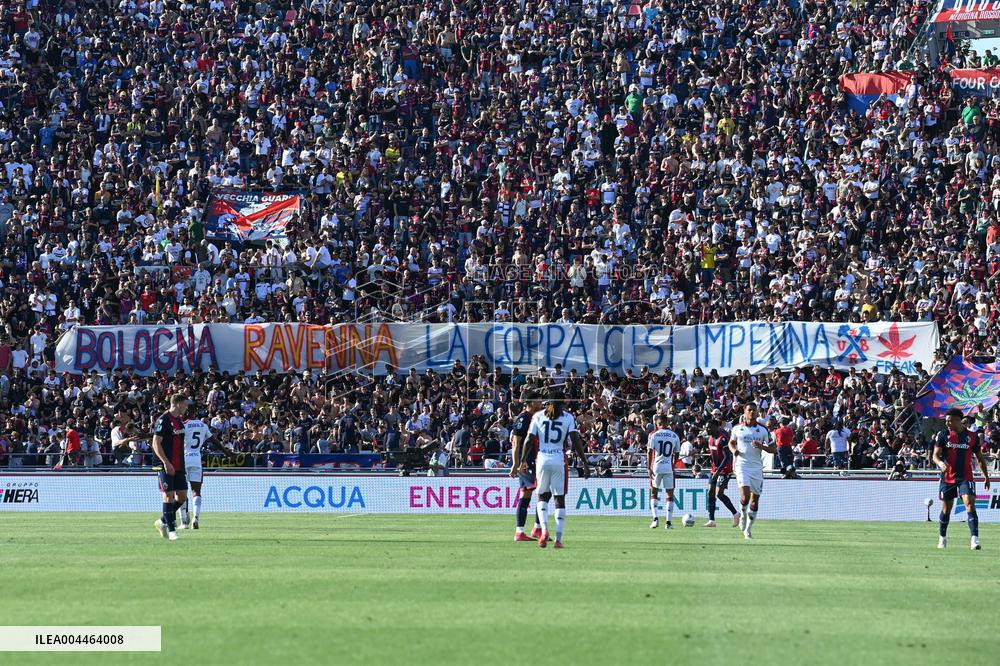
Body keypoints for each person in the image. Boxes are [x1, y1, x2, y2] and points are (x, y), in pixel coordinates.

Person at [527, 392, 590, 549]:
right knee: (559, 499)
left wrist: (522, 461)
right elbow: (575, 440)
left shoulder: (538, 416)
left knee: (542, 496)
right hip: (558, 460)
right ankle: (558, 539)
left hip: (541, 459)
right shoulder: (568, 417)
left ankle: (544, 531)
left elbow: (529, 440)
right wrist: (585, 462)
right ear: (562, 403)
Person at [932, 408, 992, 550]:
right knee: (947, 508)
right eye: (946, 421)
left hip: (965, 476)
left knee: (969, 504)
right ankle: (942, 537)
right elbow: (935, 455)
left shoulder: (972, 436)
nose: (947, 424)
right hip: (947, 477)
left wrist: (986, 476)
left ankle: (974, 539)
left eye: (950, 421)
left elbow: (979, 458)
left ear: (959, 421)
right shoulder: (943, 435)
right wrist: (940, 463)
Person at [729, 403, 775, 540]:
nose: (752, 413)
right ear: (745, 412)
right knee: (745, 497)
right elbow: (731, 443)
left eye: (754, 411)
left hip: (756, 468)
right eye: (750, 410)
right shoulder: (738, 429)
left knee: (754, 501)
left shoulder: (763, 430)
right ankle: (742, 514)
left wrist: (761, 446)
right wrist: (734, 451)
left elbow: (773, 449)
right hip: (742, 465)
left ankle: (748, 529)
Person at [152, 394, 189, 541]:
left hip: (179, 464)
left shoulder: (179, 422)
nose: (187, 407)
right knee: (168, 495)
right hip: (165, 464)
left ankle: (162, 521)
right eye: (185, 404)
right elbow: (156, 443)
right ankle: (172, 530)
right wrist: (166, 463)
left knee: (183, 496)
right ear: (178, 403)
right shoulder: (164, 420)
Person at [509, 390, 544, 542]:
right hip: (527, 462)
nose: (541, 404)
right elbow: (516, 442)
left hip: (535, 460)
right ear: (531, 403)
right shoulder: (523, 418)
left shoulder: (535, 417)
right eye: (539, 401)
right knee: (528, 494)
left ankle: (536, 528)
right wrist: (516, 463)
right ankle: (520, 532)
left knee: (541, 492)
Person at [179, 416, 213, 530]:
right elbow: (214, 440)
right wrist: (227, 452)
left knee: (180, 492)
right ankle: (196, 518)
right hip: (196, 460)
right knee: (196, 492)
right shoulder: (203, 425)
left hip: (183, 460)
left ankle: (184, 521)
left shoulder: (183, 425)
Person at [647, 415, 680, 529]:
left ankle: (655, 519)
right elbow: (677, 453)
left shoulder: (653, 435)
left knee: (654, 493)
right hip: (668, 467)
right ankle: (668, 523)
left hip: (656, 467)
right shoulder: (674, 436)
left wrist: (648, 468)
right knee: (669, 495)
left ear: (657, 423)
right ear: (667, 422)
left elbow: (650, 452)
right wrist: (673, 463)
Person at [705, 419, 739, 528]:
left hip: (724, 470)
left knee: (719, 494)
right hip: (715, 469)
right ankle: (711, 520)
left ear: (716, 427)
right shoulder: (710, 439)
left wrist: (718, 471)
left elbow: (727, 457)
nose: (707, 429)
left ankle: (736, 514)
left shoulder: (723, 439)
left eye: (709, 427)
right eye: (706, 427)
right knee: (710, 492)